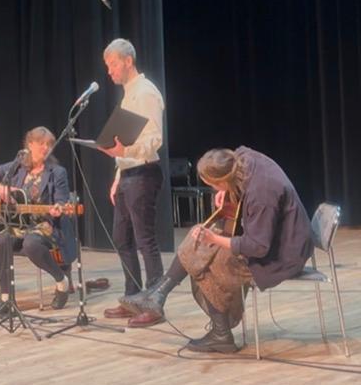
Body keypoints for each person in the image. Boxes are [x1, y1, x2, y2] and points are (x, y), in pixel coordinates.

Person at [119, 146, 312, 353]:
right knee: (199, 244)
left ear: (222, 179)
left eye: (213, 185)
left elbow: (257, 246)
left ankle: (219, 332)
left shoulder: (261, 193)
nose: (213, 189)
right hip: (273, 240)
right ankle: (158, 294)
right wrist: (226, 191)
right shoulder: (242, 157)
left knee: (207, 263)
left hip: (282, 255)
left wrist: (214, 238)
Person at [97, 39, 167, 326]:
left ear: (128, 61)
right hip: (128, 174)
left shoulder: (146, 92)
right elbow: (123, 143)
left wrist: (125, 152)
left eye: (113, 64)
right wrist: (118, 175)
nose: (110, 71)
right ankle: (132, 297)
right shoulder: (128, 96)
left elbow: (154, 139)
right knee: (121, 238)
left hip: (143, 172)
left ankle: (153, 303)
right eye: (108, 66)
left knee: (144, 239)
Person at [0, 127, 75, 316]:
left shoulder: (57, 172)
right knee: (1, 241)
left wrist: (58, 208)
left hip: (45, 225)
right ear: (30, 144)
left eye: (49, 144)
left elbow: (62, 200)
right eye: (41, 144)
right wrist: (1, 189)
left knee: (31, 244)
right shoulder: (18, 166)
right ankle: (6, 299)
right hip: (20, 224)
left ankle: (61, 281)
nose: (46, 148)